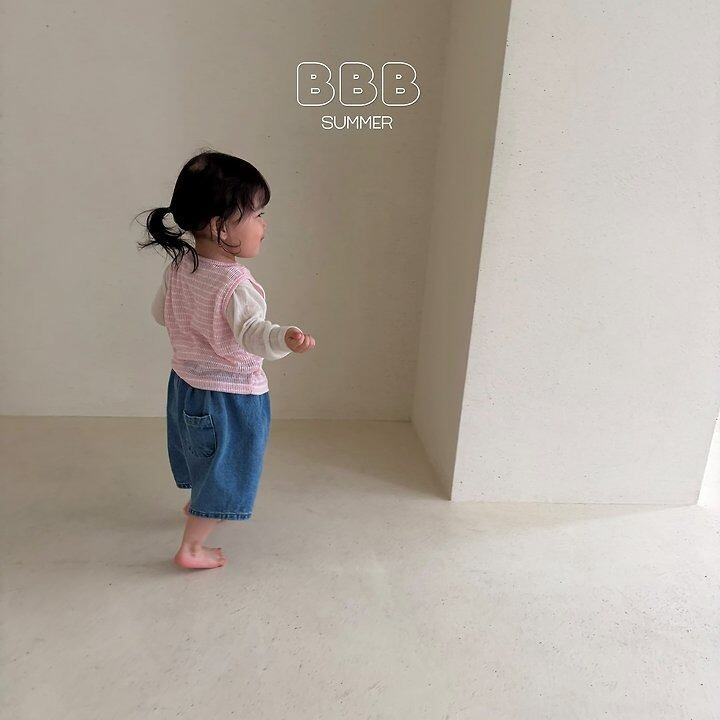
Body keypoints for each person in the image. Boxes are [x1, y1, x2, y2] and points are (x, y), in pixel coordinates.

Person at [136, 149, 316, 570]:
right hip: (229, 398)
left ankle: (200, 503)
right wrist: (284, 338)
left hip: (185, 388)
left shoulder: (180, 266)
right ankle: (192, 546)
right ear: (220, 227)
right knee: (229, 468)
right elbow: (254, 336)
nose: (263, 225)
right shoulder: (236, 284)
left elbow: (161, 314)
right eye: (257, 215)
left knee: (203, 455)